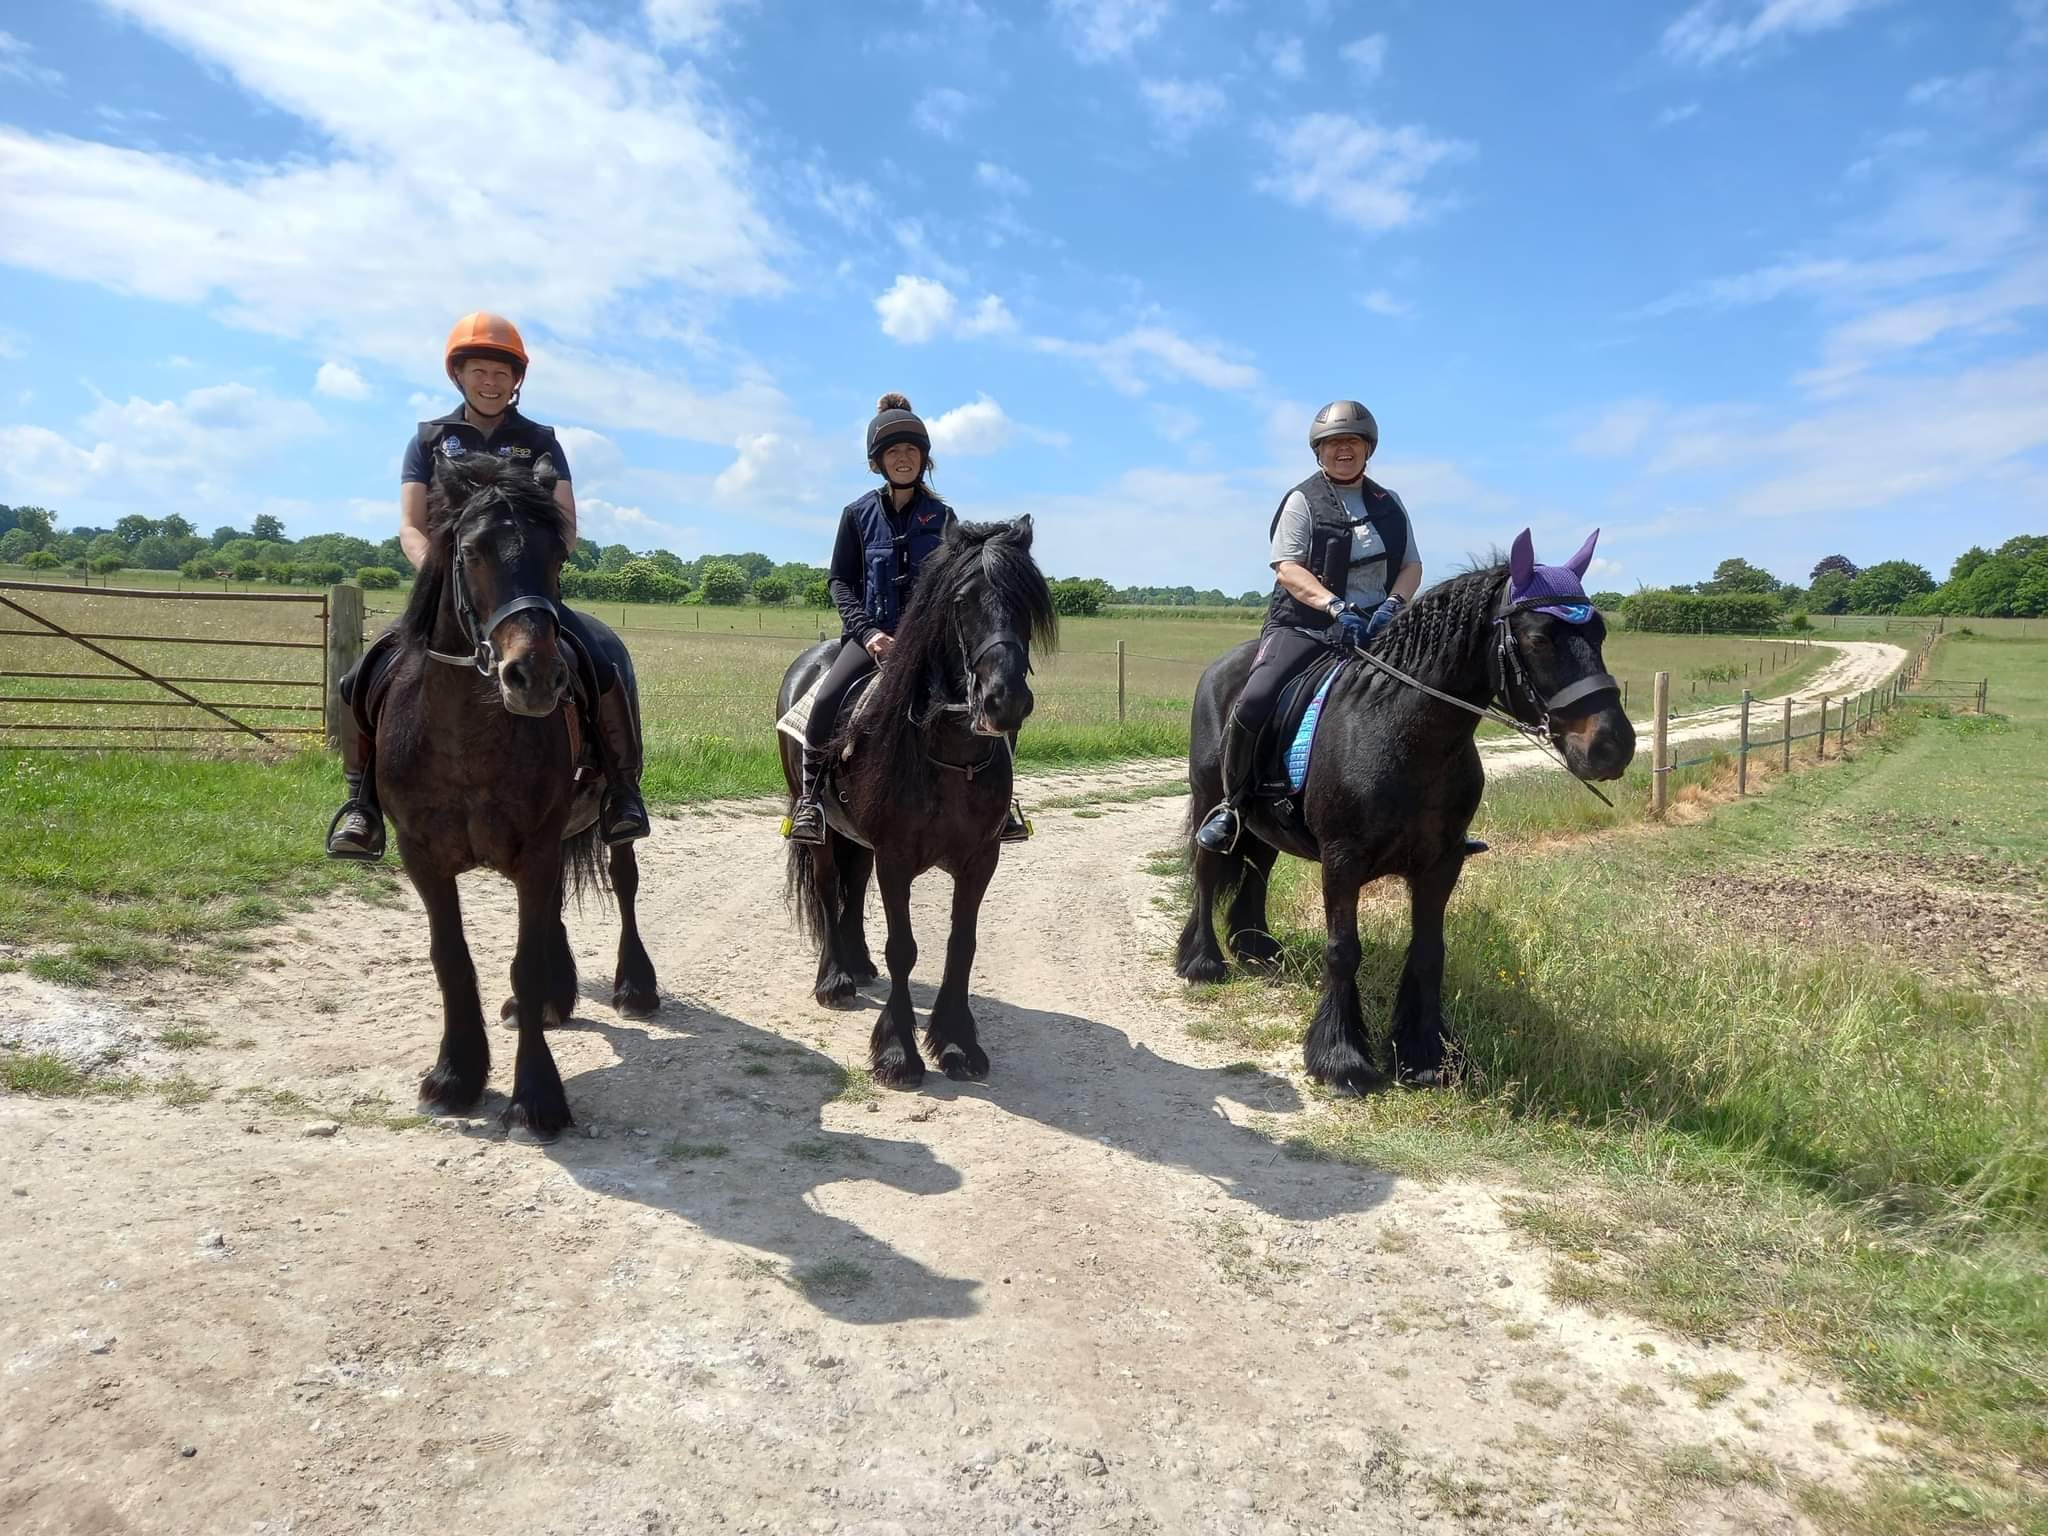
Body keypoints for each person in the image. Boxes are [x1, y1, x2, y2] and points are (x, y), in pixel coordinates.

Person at [324, 311, 649, 859]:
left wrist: (538, 569)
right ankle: (361, 804)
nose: (491, 382)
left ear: (516, 379)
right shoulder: (430, 439)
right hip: (449, 588)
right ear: (459, 375)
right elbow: (411, 524)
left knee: (599, 659)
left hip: (523, 591)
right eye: (479, 371)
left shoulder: (540, 441)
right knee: (364, 674)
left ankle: (621, 790)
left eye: (502, 373)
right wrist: (439, 574)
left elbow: (565, 522)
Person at [785, 393, 1029, 846]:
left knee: (995, 696)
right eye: (893, 452)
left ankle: (1004, 800)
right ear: (878, 462)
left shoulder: (944, 518)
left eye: (911, 451)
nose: (903, 459)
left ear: (924, 460)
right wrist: (870, 634)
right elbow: (841, 582)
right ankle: (811, 801)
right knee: (824, 703)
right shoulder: (856, 515)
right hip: (869, 638)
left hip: (929, 644)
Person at [1194, 400, 1423, 853]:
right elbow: (1288, 569)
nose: (1344, 451)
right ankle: (1233, 805)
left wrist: (1393, 605)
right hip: (1305, 627)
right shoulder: (1302, 500)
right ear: (1319, 451)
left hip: (1378, 630)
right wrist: (1336, 606)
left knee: (1432, 697)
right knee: (1256, 699)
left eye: (1353, 443)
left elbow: (1412, 565)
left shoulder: (1389, 504)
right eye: (1334, 444)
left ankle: (1435, 819)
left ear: (1367, 449)